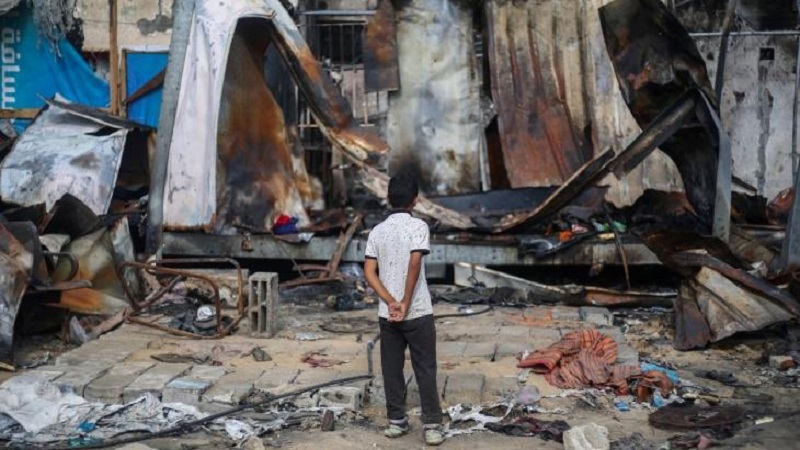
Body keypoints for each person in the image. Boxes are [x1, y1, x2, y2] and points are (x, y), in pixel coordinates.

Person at [363, 172, 445, 446]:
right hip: (418, 310)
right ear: (416, 200)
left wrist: (390, 301)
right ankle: (432, 425)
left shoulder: (377, 231)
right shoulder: (419, 227)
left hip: (388, 315)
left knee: (391, 369)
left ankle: (396, 421)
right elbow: (415, 263)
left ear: (388, 199)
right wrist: (406, 302)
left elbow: (369, 272)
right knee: (425, 368)